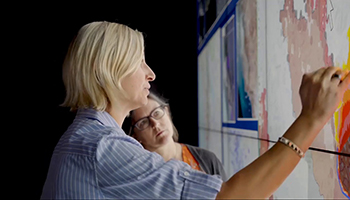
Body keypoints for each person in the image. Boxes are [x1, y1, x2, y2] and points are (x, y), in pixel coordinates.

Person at [40, 20, 350, 199]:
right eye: (139, 62)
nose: (150, 73)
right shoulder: (101, 147)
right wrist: (311, 118)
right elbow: (227, 198)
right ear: (110, 69)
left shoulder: (86, 139)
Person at [126, 90, 227, 181]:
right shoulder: (138, 175)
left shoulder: (207, 159)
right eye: (143, 122)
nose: (155, 124)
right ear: (134, 135)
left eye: (156, 113)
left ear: (167, 111)